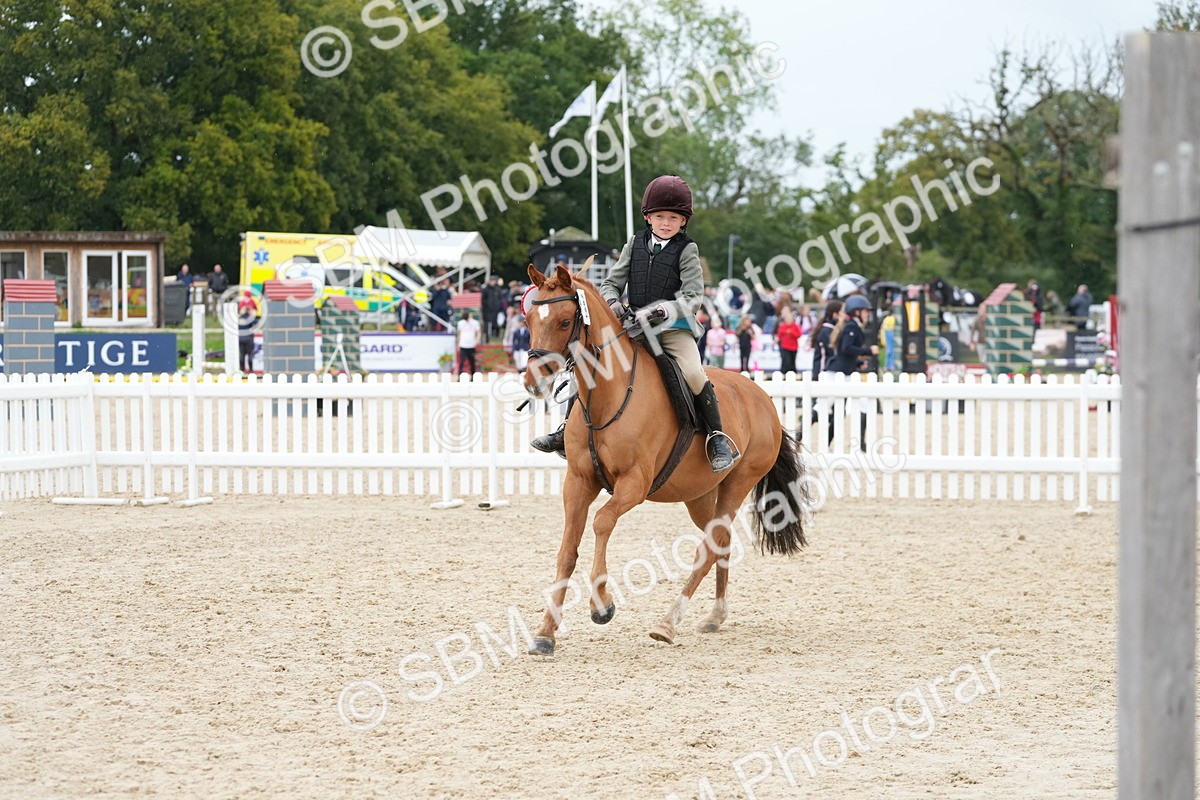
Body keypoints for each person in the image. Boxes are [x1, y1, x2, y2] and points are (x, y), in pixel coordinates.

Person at [530, 174, 739, 472]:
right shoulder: (635, 243)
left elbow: (693, 297)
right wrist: (613, 302)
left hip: (672, 329)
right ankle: (566, 429)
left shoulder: (687, 250)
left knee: (694, 373)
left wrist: (663, 310)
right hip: (634, 327)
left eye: (673, 218)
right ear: (648, 217)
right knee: (589, 365)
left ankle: (717, 437)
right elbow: (610, 283)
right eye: (660, 216)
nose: (666, 223)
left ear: (683, 221)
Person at [827, 295, 878, 450]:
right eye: (865, 311)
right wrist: (868, 351)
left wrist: (858, 362)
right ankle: (801, 435)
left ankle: (860, 443)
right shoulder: (851, 327)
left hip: (846, 372)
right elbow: (846, 349)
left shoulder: (852, 326)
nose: (867, 314)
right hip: (839, 374)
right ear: (857, 312)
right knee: (825, 407)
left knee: (853, 407)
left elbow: (846, 355)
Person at [776, 306, 801, 375]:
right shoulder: (782, 326)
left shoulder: (795, 326)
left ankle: (793, 373)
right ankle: (784, 373)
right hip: (785, 347)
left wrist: (791, 333)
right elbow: (779, 335)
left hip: (793, 347)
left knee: (792, 361)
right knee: (786, 361)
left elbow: (798, 335)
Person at [236, 294, 258, 373]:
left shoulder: (239, 318)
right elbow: (257, 323)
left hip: (240, 337)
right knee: (250, 354)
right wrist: (253, 314)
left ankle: (241, 370)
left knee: (242, 354)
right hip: (248, 338)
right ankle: (251, 370)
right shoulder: (250, 317)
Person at [456, 310, 481, 375]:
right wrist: (458, 344)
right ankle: (459, 376)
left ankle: (473, 376)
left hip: (471, 345)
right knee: (461, 362)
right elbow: (459, 334)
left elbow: (478, 332)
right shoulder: (461, 323)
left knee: (472, 362)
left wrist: (476, 341)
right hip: (463, 345)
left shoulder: (475, 323)